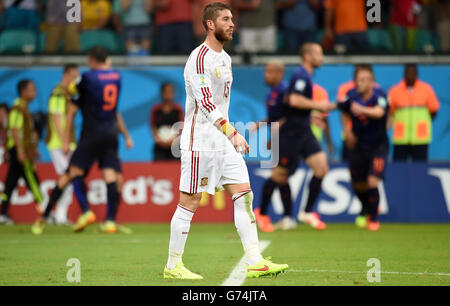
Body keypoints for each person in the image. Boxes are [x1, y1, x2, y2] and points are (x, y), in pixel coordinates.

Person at [164, 2, 288, 280]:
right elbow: (206, 103)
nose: (232, 23)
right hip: (200, 142)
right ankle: (173, 265)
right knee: (190, 200)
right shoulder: (199, 58)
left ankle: (255, 260)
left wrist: (228, 135)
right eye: (226, 19)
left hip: (222, 142)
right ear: (210, 24)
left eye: (232, 19)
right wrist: (232, 131)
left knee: (244, 194)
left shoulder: (226, 59)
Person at [32, 47, 122, 235]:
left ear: (91, 59)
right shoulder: (116, 76)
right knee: (109, 175)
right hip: (111, 134)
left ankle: (85, 211)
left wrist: (65, 138)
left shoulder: (87, 79)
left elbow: (72, 103)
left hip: (91, 135)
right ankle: (110, 221)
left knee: (72, 173)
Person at [263, 43, 335, 231]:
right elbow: (294, 100)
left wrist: (313, 113)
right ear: (307, 56)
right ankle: (261, 212)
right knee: (279, 175)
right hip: (292, 135)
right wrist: (318, 105)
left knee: (321, 168)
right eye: (319, 54)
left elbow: (289, 103)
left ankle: (307, 212)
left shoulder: (305, 77)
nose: (322, 57)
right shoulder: (300, 75)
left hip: (305, 132)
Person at [337, 66, 389, 231]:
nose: (358, 83)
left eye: (361, 80)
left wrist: (362, 110)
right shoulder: (352, 95)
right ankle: (366, 207)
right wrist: (347, 130)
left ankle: (373, 219)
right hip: (358, 145)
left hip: (378, 146)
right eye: (357, 80)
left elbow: (380, 112)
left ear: (370, 82)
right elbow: (343, 110)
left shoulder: (380, 95)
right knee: (358, 184)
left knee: (372, 181)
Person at [252, 60, 294, 232]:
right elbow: (276, 118)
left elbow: (291, 116)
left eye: (268, 72)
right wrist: (261, 125)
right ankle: (288, 217)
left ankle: (261, 213)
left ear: (279, 74)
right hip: (280, 139)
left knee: (278, 175)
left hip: (289, 139)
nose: (265, 75)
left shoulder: (285, 92)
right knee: (282, 177)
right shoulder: (272, 93)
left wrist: (275, 135)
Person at [0, 80, 43, 224]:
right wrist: (20, 151)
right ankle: (45, 212)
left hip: (19, 149)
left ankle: (3, 213)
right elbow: (14, 130)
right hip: (19, 150)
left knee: (11, 183)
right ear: (23, 91)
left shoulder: (23, 108)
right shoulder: (18, 108)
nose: (35, 91)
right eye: (32, 89)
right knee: (32, 180)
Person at [41, 64, 79, 225]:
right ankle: (53, 213)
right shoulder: (57, 94)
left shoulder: (68, 94)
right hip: (58, 143)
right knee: (67, 177)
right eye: (74, 76)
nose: (75, 80)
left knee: (68, 178)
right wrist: (64, 140)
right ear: (66, 75)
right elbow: (56, 117)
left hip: (67, 143)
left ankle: (56, 214)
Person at [388, 64, 440, 161]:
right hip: (401, 139)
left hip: (420, 138)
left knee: (420, 169)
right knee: (398, 168)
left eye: (413, 72)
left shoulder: (426, 89)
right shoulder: (394, 91)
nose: (410, 75)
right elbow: (390, 113)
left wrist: (423, 124)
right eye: (408, 72)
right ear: (404, 74)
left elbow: (434, 110)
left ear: (417, 74)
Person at [150, 82, 184, 161]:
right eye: (166, 92)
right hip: (160, 147)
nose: (168, 94)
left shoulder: (178, 109)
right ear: (162, 93)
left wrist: (173, 140)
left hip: (175, 146)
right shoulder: (156, 110)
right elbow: (153, 126)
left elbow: (181, 126)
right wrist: (158, 139)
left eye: (171, 92)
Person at [311, 83, 333, 158]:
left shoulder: (319, 92)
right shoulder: (291, 93)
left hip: (314, 142)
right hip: (294, 142)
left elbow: (325, 119)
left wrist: (329, 143)